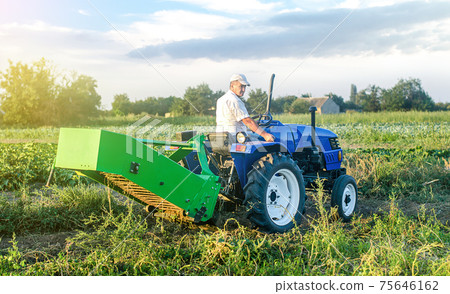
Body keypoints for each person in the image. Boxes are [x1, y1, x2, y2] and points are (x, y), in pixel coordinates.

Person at [216, 74, 275, 142]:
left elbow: (230, 120)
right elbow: (248, 121)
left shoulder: (221, 99)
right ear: (232, 85)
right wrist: (265, 135)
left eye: (244, 87)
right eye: (241, 86)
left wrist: (254, 124)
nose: (243, 90)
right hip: (234, 140)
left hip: (221, 139)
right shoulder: (235, 100)